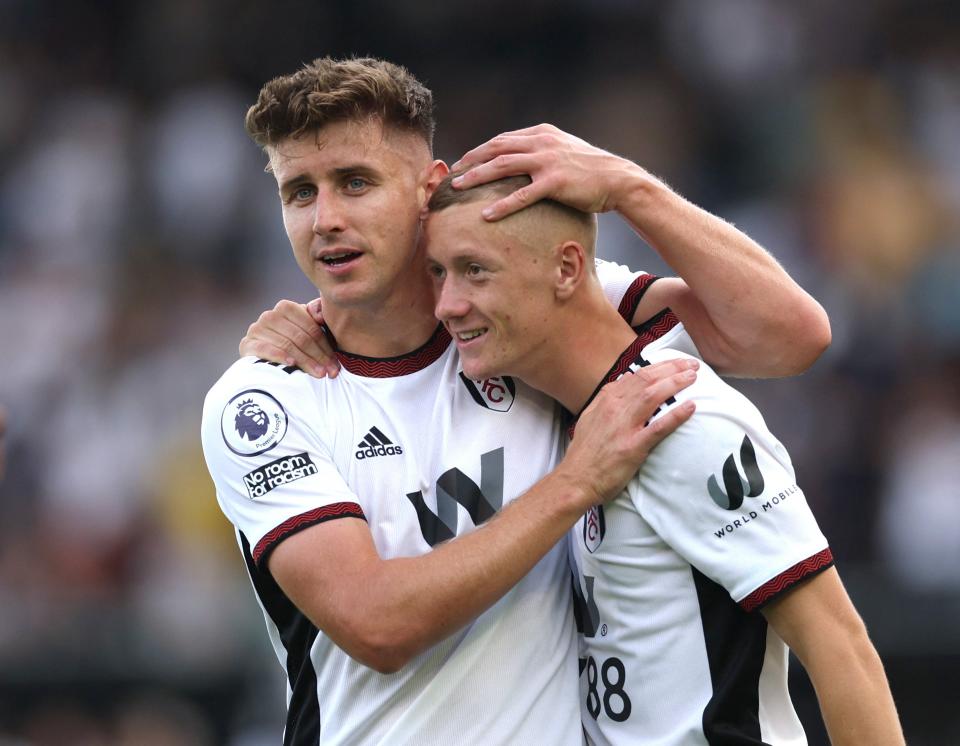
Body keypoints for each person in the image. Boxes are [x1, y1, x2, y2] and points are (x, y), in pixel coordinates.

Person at [205, 57, 830, 744]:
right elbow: (376, 625)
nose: (325, 219)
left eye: (356, 183)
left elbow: (788, 336)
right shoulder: (262, 399)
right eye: (299, 192)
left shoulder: (519, 313)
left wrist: (626, 187)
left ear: (428, 188)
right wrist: (574, 482)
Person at [413, 169, 904, 744]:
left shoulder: (682, 421)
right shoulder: (566, 415)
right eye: (438, 273)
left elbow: (840, 646)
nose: (447, 304)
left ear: (568, 269)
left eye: (475, 271)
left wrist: (624, 183)